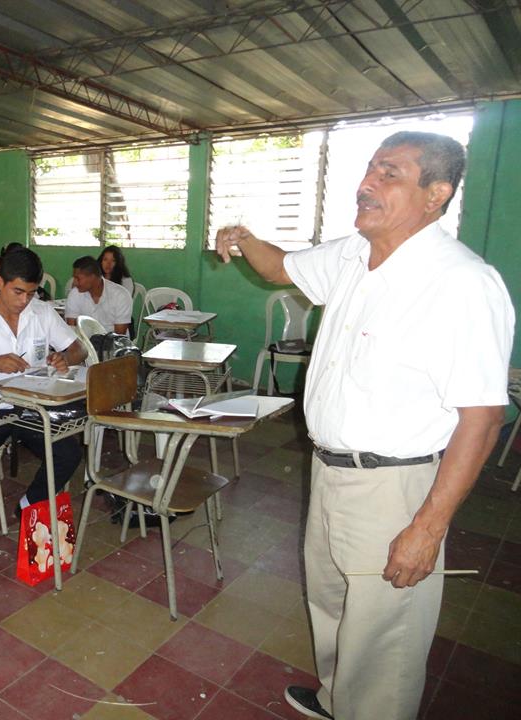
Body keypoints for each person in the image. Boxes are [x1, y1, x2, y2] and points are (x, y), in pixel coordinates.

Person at [214, 131, 513, 720]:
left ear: (437, 194)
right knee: (333, 604)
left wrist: (428, 528)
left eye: (390, 173)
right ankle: (336, 701)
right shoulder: (353, 253)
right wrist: (244, 237)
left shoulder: (462, 284)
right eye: (370, 169)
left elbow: (482, 419)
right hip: (329, 471)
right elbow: (279, 268)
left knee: (385, 637)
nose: (366, 184)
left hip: (395, 488)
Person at [0, 248, 87, 546]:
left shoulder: (42, 312)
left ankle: (28, 505)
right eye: (18, 292)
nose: (24, 301)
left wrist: (64, 357)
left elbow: (79, 349)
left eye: (31, 293)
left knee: (68, 454)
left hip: (31, 405)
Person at [64, 256, 133, 335]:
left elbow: (119, 336)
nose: (75, 283)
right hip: (85, 344)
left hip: (114, 345)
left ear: (92, 277)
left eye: (78, 278)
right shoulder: (75, 294)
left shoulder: (120, 295)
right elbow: (72, 330)